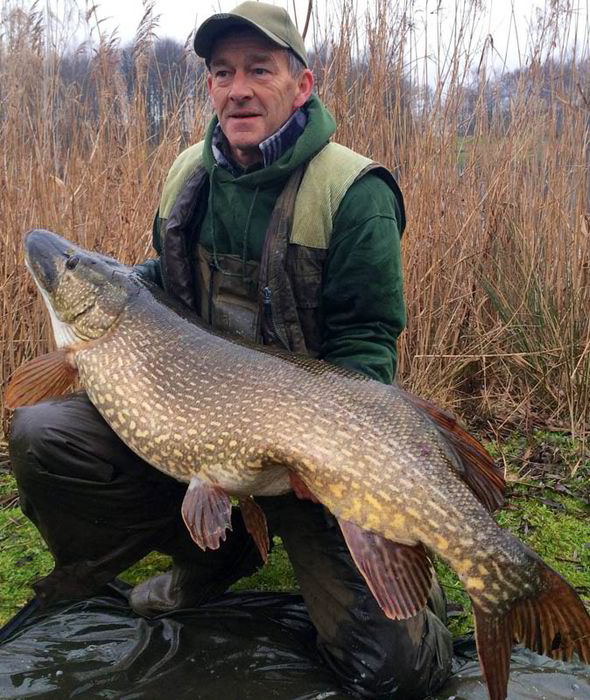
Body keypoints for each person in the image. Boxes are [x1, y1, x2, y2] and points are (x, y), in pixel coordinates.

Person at [8, 2, 453, 697]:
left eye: (258, 70)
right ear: (210, 86)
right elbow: (167, 281)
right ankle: (213, 557)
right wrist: (124, 290)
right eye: (222, 72)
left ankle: (428, 579)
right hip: (212, 432)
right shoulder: (190, 173)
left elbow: (366, 347)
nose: (237, 88)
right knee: (43, 432)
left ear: (301, 84)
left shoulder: (353, 193)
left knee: (395, 670)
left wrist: (329, 457)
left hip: (313, 454)